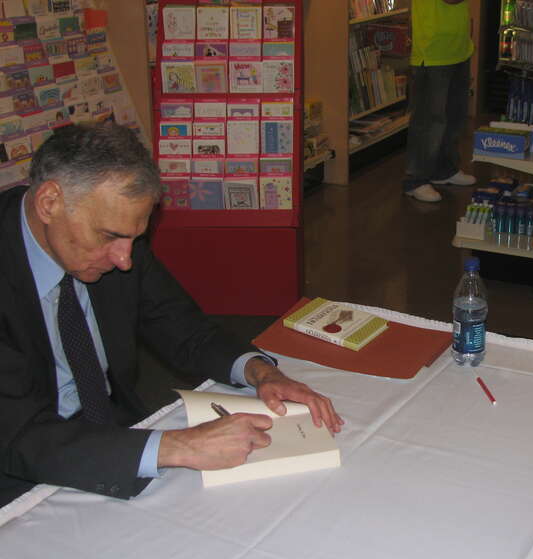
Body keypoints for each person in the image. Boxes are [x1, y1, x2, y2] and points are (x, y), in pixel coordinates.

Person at [0, 123, 344, 507]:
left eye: (135, 239)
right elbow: (19, 437)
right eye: (110, 237)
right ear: (49, 202)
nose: (124, 260)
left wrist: (261, 372)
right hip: (18, 479)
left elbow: (182, 326)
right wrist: (177, 447)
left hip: (115, 433)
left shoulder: (115, 237)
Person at [403, 0, 476, 203]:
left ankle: (444, 169)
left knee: (455, 115)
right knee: (429, 120)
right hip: (433, 47)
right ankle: (415, 180)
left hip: (458, 45)